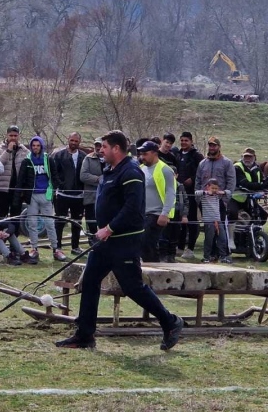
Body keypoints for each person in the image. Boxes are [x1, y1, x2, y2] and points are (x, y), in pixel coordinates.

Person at [55, 130, 183, 351]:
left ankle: (170, 322)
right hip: (104, 241)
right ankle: (85, 335)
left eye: (104, 147)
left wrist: (110, 228)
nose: (100, 150)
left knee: (133, 287)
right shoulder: (110, 170)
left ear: (116, 148)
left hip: (123, 242)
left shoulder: (131, 172)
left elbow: (133, 208)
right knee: (90, 281)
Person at [20, 135, 65, 264]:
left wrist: (58, 186)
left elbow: (54, 176)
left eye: (38, 145)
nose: (35, 148)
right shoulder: (27, 160)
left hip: (46, 194)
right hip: (32, 195)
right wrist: (21, 195)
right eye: (33, 146)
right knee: (32, 223)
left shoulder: (48, 159)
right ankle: (34, 248)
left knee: (50, 224)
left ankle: (56, 249)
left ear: (41, 146)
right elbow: (21, 179)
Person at [137, 140, 176, 263]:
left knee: (146, 242)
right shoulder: (141, 169)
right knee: (144, 244)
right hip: (142, 213)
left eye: (145, 154)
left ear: (154, 153)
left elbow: (171, 192)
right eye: (141, 154)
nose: (142, 157)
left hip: (156, 214)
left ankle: (154, 270)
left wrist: (165, 213)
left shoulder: (165, 170)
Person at [50, 132, 88, 252]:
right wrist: (60, 185)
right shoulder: (59, 155)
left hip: (79, 195)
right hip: (63, 194)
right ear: (68, 140)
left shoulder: (84, 156)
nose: (73, 143)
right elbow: (54, 173)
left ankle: (75, 247)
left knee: (76, 222)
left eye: (76, 141)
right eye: (72, 140)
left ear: (79, 142)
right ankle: (58, 247)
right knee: (60, 221)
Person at [195, 137, 236, 231]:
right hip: (205, 202)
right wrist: (198, 198)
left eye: (214, 145)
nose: (212, 148)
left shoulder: (227, 163)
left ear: (219, 147)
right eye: (210, 145)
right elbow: (197, 181)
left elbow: (231, 182)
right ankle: (209, 245)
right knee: (208, 228)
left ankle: (220, 245)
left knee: (220, 227)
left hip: (219, 201)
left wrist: (225, 199)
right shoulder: (202, 163)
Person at [0, 125, 29, 225]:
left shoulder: (24, 150)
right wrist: (8, 150)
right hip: (2, 188)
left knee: (15, 216)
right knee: (1, 216)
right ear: (6, 135)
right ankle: (0, 238)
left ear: (19, 136)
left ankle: (14, 238)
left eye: (15, 135)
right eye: (11, 135)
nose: (13, 138)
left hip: (17, 190)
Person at [176, 132, 204, 259]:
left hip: (191, 192)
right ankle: (180, 246)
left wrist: (192, 179)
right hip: (180, 192)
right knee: (180, 219)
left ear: (191, 141)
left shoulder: (197, 156)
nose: (183, 143)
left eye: (186, 140)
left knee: (192, 220)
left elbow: (201, 172)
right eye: (182, 140)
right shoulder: (177, 154)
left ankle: (190, 248)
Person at [230, 147, 268, 223]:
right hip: (236, 199)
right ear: (242, 157)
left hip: (249, 199)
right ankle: (234, 234)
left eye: (250, 157)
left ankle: (252, 233)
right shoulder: (237, 167)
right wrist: (262, 185)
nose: (247, 159)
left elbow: (262, 181)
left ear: (254, 157)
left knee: (263, 215)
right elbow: (245, 184)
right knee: (233, 215)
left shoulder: (256, 168)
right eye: (245, 156)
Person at [197, 178, 230, 264]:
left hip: (218, 220)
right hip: (208, 221)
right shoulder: (203, 196)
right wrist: (206, 192)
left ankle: (223, 256)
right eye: (213, 188)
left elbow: (229, 193)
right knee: (209, 239)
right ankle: (206, 257)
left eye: (216, 188)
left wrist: (223, 192)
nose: (214, 190)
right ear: (207, 187)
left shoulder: (217, 196)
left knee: (223, 239)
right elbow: (196, 193)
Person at [79, 138, 104, 243]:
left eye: (101, 145)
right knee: (91, 222)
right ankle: (92, 242)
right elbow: (83, 176)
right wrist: (98, 179)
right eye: (96, 145)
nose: (98, 148)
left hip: (106, 197)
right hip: (91, 197)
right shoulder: (88, 159)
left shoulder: (110, 159)